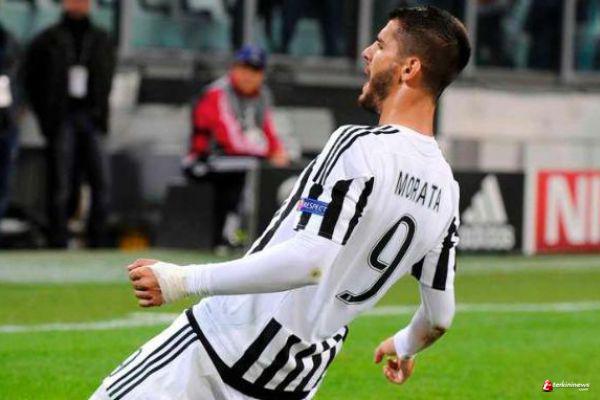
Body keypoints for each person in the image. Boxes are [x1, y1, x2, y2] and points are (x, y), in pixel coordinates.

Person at [92, 6, 470, 399]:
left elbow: (309, 261)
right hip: (294, 379)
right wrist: (406, 344)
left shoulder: (358, 146)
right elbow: (439, 317)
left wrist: (182, 280)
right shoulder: (447, 191)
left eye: (380, 44)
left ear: (409, 68)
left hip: (219, 349)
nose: (367, 52)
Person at [23, 0, 115, 248]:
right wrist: (47, 116)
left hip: (92, 116)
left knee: (101, 179)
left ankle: (98, 238)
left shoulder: (101, 39)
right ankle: (57, 238)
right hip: (62, 117)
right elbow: (30, 79)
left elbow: (106, 77)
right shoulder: (48, 39)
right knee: (61, 182)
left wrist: (102, 113)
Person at [183, 44, 289, 248]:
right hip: (203, 160)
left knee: (276, 168)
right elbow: (230, 140)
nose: (248, 75)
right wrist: (269, 154)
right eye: (244, 68)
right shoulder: (218, 93)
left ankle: (263, 234)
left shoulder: (263, 95)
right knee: (251, 168)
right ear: (233, 68)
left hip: (240, 159)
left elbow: (268, 130)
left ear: (262, 74)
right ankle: (230, 235)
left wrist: (278, 151)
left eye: (255, 70)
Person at [0, 23, 20, 225]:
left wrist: (18, 111)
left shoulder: (10, 41)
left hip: (7, 123)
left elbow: (23, 79)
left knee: (4, 182)